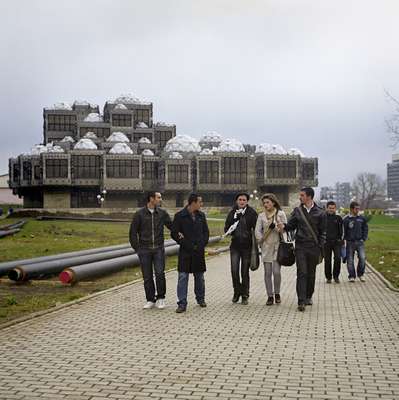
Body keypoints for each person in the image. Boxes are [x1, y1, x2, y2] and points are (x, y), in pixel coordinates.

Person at [277, 187, 326, 312]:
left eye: (302, 195)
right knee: (302, 272)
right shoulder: (297, 211)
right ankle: (301, 300)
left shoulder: (320, 212)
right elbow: (291, 226)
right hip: (300, 247)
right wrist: (284, 227)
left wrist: (321, 247)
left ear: (309, 196)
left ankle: (309, 296)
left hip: (314, 247)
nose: (300, 197)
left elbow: (323, 232)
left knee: (311, 273)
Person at [129, 191, 173, 309]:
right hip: (144, 250)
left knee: (159, 273)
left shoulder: (162, 213)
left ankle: (161, 298)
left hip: (158, 248)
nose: (160, 199)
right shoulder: (139, 214)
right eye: (158, 197)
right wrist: (137, 249)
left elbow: (172, 226)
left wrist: (182, 230)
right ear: (151, 199)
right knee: (147, 276)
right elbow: (133, 232)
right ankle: (150, 299)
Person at [171, 193, 210, 313]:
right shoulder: (180, 216)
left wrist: (202, 244)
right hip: (185, 251)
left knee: (199, 277)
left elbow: (206, 233)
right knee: (183, 276)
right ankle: (182, 303)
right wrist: (184, 242)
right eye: (200, 202)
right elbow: (174, 233)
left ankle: (200, 298)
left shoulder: (201, 216)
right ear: (193, 203)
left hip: (198, 251)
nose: (201, 204)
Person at [224, 192, 258, 305]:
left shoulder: (252, 213)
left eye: (244, 200)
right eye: (240, 199)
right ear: (236, 201)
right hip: (235, 246)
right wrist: (233, 224)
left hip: (247, 247)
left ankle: (245, 294)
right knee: (234, 270)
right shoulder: (232, 213)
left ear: (247, 201)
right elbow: (226, 229)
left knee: (244, 272)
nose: (242, 202)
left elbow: (256, 229)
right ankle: (236, 292)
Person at [255, 193, 287, 305]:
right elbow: (257, 231)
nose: (265, 204)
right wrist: (260, 240)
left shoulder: (281, 214)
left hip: (278, 246)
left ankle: (277, 293)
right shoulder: (261, 216)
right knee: (267, 273)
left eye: (267, 202)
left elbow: (286, 230)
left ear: (273, 202)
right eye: (264, 203)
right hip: (266, 246)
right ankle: (270, 296)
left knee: (276, 272)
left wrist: (279, 228)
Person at [343, 201, 368, 282]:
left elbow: (365, 228)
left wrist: (363, 238)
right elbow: (343, 231)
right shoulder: (346, 219)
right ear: (351, 209)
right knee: (350, 260)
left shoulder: (362, 218)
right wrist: (344, 239)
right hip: (350, 243)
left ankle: (360, 274)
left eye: (358, 208)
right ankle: (351, 276)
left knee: (362, 258)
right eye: (356, 209)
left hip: (360, 242)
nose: (358, 210)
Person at [324, 201, 344, 284]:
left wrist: (341, 240)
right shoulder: (323, 217)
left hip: (337, 242)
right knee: (327, 261)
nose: (331, 210)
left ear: (335, 208)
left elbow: (342, 231)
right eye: (330, 208)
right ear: (327, 208)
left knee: (337, 259)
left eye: (333, 208)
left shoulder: (338, 218)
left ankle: (336, 276)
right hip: (326, 243)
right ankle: (328, 277)